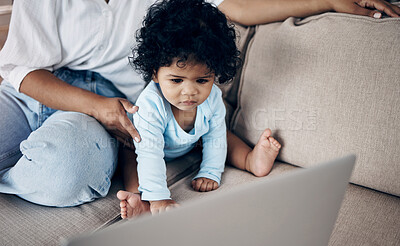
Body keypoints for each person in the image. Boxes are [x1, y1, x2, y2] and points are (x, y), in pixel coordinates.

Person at [0, 0, 398, 207]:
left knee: (64, 174)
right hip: (37, 88)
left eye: (200, 80)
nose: (191, 87)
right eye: (179, 79)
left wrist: (325, 1)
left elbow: (237, 6)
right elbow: (20, 67)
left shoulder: (187, 103)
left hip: (115, 109)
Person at [115, 0, 282, 216]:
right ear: (155, 73)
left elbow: (215, 137)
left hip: (192, 142)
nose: (189, 92)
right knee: (130, 153)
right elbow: (150, 154)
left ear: (215, 73)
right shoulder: (150, 105)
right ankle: (142, 200)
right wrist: (160, 198)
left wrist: (210, 173)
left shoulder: (212, 98)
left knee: (222, 134)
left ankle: (251, 161)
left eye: (202, 80)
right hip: (144, 144)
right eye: (176, 81)